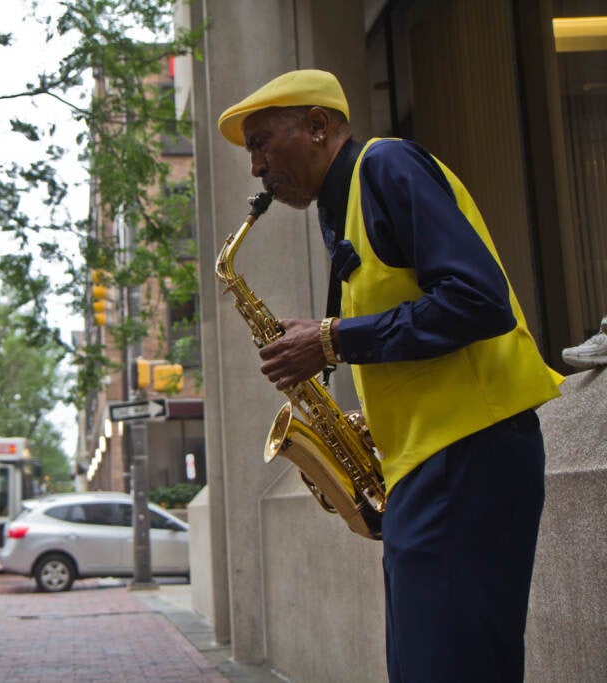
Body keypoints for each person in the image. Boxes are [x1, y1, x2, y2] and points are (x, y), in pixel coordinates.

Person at [217, 69, 563, 683]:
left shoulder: (387, 167)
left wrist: (329, 339)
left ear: (319, 125)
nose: (256, 167)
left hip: (468, 455)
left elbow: (479, 301)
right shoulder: (344, 210)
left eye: (264, 141)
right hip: (430, 468)